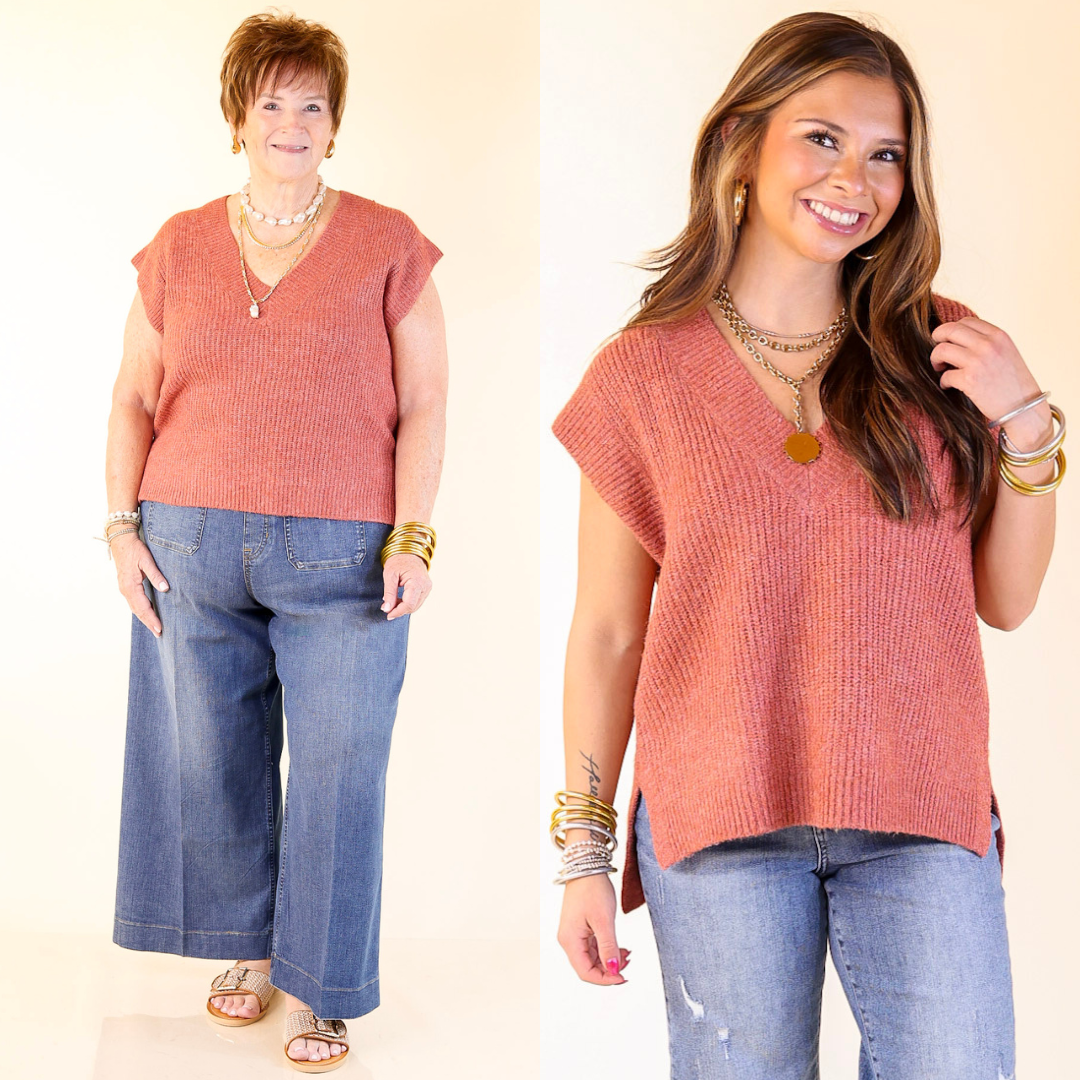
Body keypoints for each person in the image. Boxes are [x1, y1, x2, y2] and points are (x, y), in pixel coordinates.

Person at [549, 12, 1063, 1078]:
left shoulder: (943, 349)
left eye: (886, 154)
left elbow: (1005, 602)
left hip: (922, 812)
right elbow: (607, 634)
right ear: (742, 142)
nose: (856, 179)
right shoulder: (642, 375)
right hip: (718, 819)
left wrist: (1028, 429)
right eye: (822, 138)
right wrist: (584, 856)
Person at [102, 11, 446, 1071]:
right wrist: (119, 526)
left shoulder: (387, 242)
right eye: (271, 103)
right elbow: (131, 397)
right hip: (186, 542)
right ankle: (245, 952)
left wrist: (415, 535)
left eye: (311, 104)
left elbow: (426, 401)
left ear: (334, 125)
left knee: (342, 769)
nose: (291, 122)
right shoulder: (177, 244)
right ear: (238, 119)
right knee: (210, 762)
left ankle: (326, 985)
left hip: (342, 554)